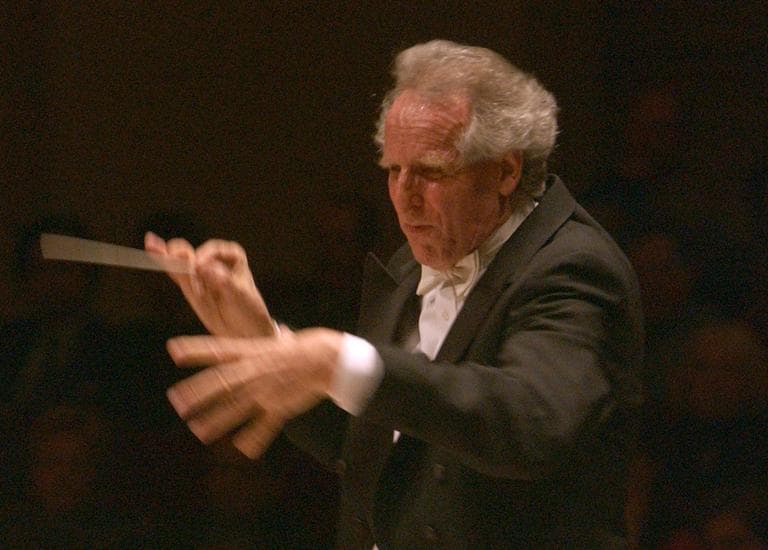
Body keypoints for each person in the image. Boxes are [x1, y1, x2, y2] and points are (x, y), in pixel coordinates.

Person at [145, 40, 644, 548]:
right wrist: (265, 339)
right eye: (392, 170)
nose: (404, 198)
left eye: (430, 172)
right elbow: (366, 444)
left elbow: (528, 422)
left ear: (505, 170)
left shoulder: (574, 267)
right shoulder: (412, 264)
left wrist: (339, 359)